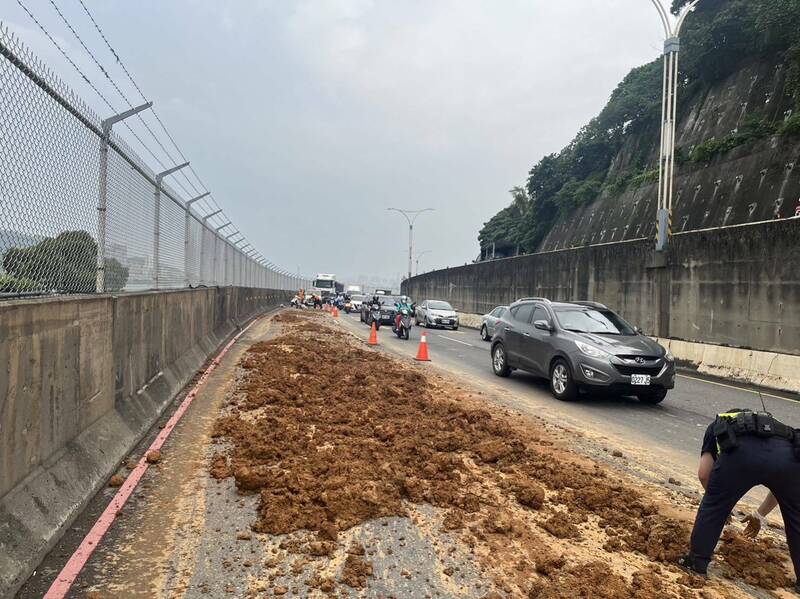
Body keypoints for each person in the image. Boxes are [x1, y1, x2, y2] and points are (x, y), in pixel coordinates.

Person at [678, 409, 800, 594]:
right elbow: (780, 489)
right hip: (787, 463)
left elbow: (704, 474)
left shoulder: (718, 425)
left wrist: (721, 506)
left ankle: (696, 563)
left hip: (740, 457)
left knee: (712, 507)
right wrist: (759, 514)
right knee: (796, 519)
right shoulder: (778, 430)